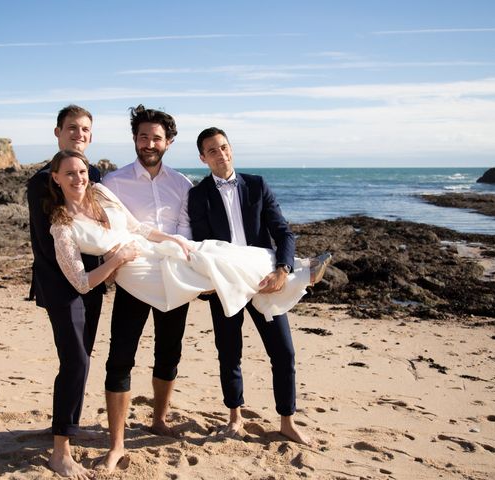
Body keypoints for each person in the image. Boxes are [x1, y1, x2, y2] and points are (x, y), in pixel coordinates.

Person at [47, 149, 331, 463]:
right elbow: (82, 282)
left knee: (209, 251)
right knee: (204, 272)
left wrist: (173, 239)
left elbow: (137, 227)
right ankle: (300, 272)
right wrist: (116, 259)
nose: (78, 179)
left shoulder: (100, 192)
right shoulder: (62, 226)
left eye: (82, 172)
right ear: (56, 178)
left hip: (150, 248)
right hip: (134, 271)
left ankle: (294, 269)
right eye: (70, 173)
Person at [187, 127, 329, 445]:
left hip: (265, 279)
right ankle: (234, 418)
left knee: (283, 352)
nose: (220, 154)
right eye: (212, 150)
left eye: (224, 147)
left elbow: (283, 232)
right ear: (202, 158)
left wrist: (282, 270)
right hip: (224, 282)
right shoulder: (198, 195)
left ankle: (287, 422)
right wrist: (205, 281)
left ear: (231, 149)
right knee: (229, 352)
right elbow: (200, 243)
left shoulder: (257, 184)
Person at [97, 105, 193, 472]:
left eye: (156, 137)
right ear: (134, 140)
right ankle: (117, 442)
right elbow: (109, 232)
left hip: (172, 278)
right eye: (143, 137)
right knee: (120, 357)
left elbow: (185, 231)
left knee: (169, 353)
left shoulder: (182, 183)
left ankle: (158, 420)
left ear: (168, 141)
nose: (149, 143)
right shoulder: (113, 182)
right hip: (133, 279)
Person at [27, 104, 104, 479]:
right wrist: (78, 283)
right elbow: (46, 244)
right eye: (72, 128)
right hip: (62, 286)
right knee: (76, 361)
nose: (79, 133)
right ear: (57, 132)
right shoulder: (42, 180)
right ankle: (60, 452)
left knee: (80, 359)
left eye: (85, 129)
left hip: (93, 284)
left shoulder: (95, 174)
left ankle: (64, 425)